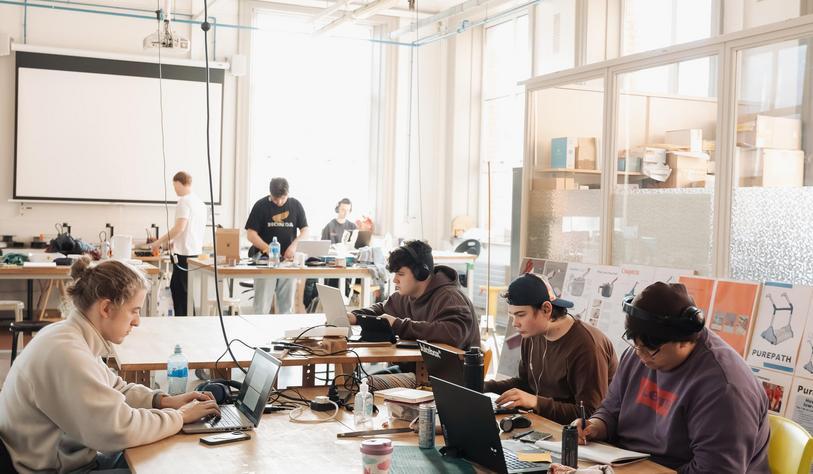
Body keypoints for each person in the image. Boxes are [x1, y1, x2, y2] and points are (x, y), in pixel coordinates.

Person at [0, 257, 220, 473]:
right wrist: (180, 416)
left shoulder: (71, 336)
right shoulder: (67, 353)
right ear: (106, 308)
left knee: (165, 453)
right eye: (134, 310)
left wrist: (163, 401)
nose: (137, 321)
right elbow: (120, 429)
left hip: (73, 459)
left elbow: (116, 388)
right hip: (56, 469)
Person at [575, 282, 770, 473]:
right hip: (627, 464)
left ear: (684, 341)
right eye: (636, 346)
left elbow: (715, 469)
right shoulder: (640, 353)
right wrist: (595, 426)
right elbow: (611, 409)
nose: (641, 357)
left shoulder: (724, 388)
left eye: (651, 351)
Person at [484, 273, 617, 425]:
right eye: (511, 316)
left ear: (546, 309)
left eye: (520, 315)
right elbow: (527, 383)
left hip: (581, 438)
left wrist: (536, 402)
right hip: (546, 424)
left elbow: (590, 414)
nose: (515, 323)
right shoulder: (532, 334)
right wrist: (485, 386)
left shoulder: (587, 347)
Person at [347, 240, 479, 349]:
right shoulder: (406, 295)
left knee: (364, 381)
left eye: (401, 274)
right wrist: (355, 316)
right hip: (418, 370)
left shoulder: (450, 297)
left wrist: (399, 325)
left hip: (447, 378)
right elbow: (382, 309)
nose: (395, 280)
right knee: (357, 380)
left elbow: (454, 333)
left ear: (421, 273)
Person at [245, 177, 309, 314]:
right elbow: (251, 234)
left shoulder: (295, 205)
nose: (279, 202)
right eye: (275, 199)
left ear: (288, 194)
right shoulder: (260, 206)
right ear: (270, 194)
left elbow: (305, 231)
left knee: (286, 307)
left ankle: (284, 334)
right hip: (264, 260)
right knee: (261, 306)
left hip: (287, 262)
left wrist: (294, 246)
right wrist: (268, 249)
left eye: (283, 198)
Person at [150, 171, 206, 316]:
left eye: (175, 186)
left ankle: (184, 322)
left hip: (184, 253)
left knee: (180, 291)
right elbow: (189, 229)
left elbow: (179, 227)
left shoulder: (184, 201)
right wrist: (174, 241)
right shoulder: (200, 203)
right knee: (184, 289)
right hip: (195, 251)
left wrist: (158, 242)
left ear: (181, 183)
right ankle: (188, 320)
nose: (175, 190)